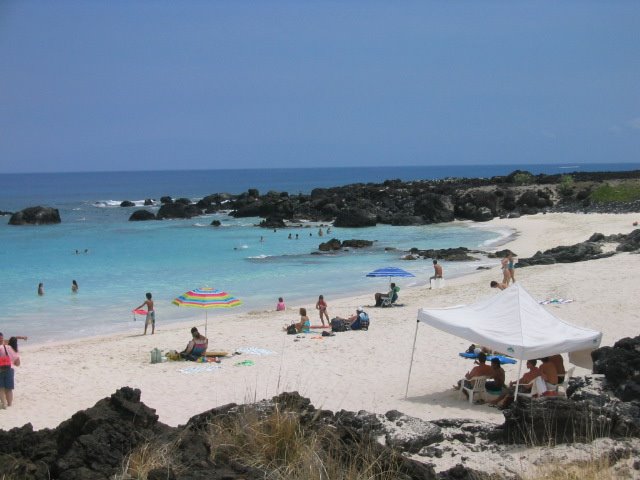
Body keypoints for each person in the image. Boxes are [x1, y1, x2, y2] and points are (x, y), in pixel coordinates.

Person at [0, 332, 20, 409]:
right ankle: (9, 403)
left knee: (1, 388)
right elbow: (17, 363)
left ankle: (4, 405)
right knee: (9, 388)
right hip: (9, 369)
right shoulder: (10, 348)